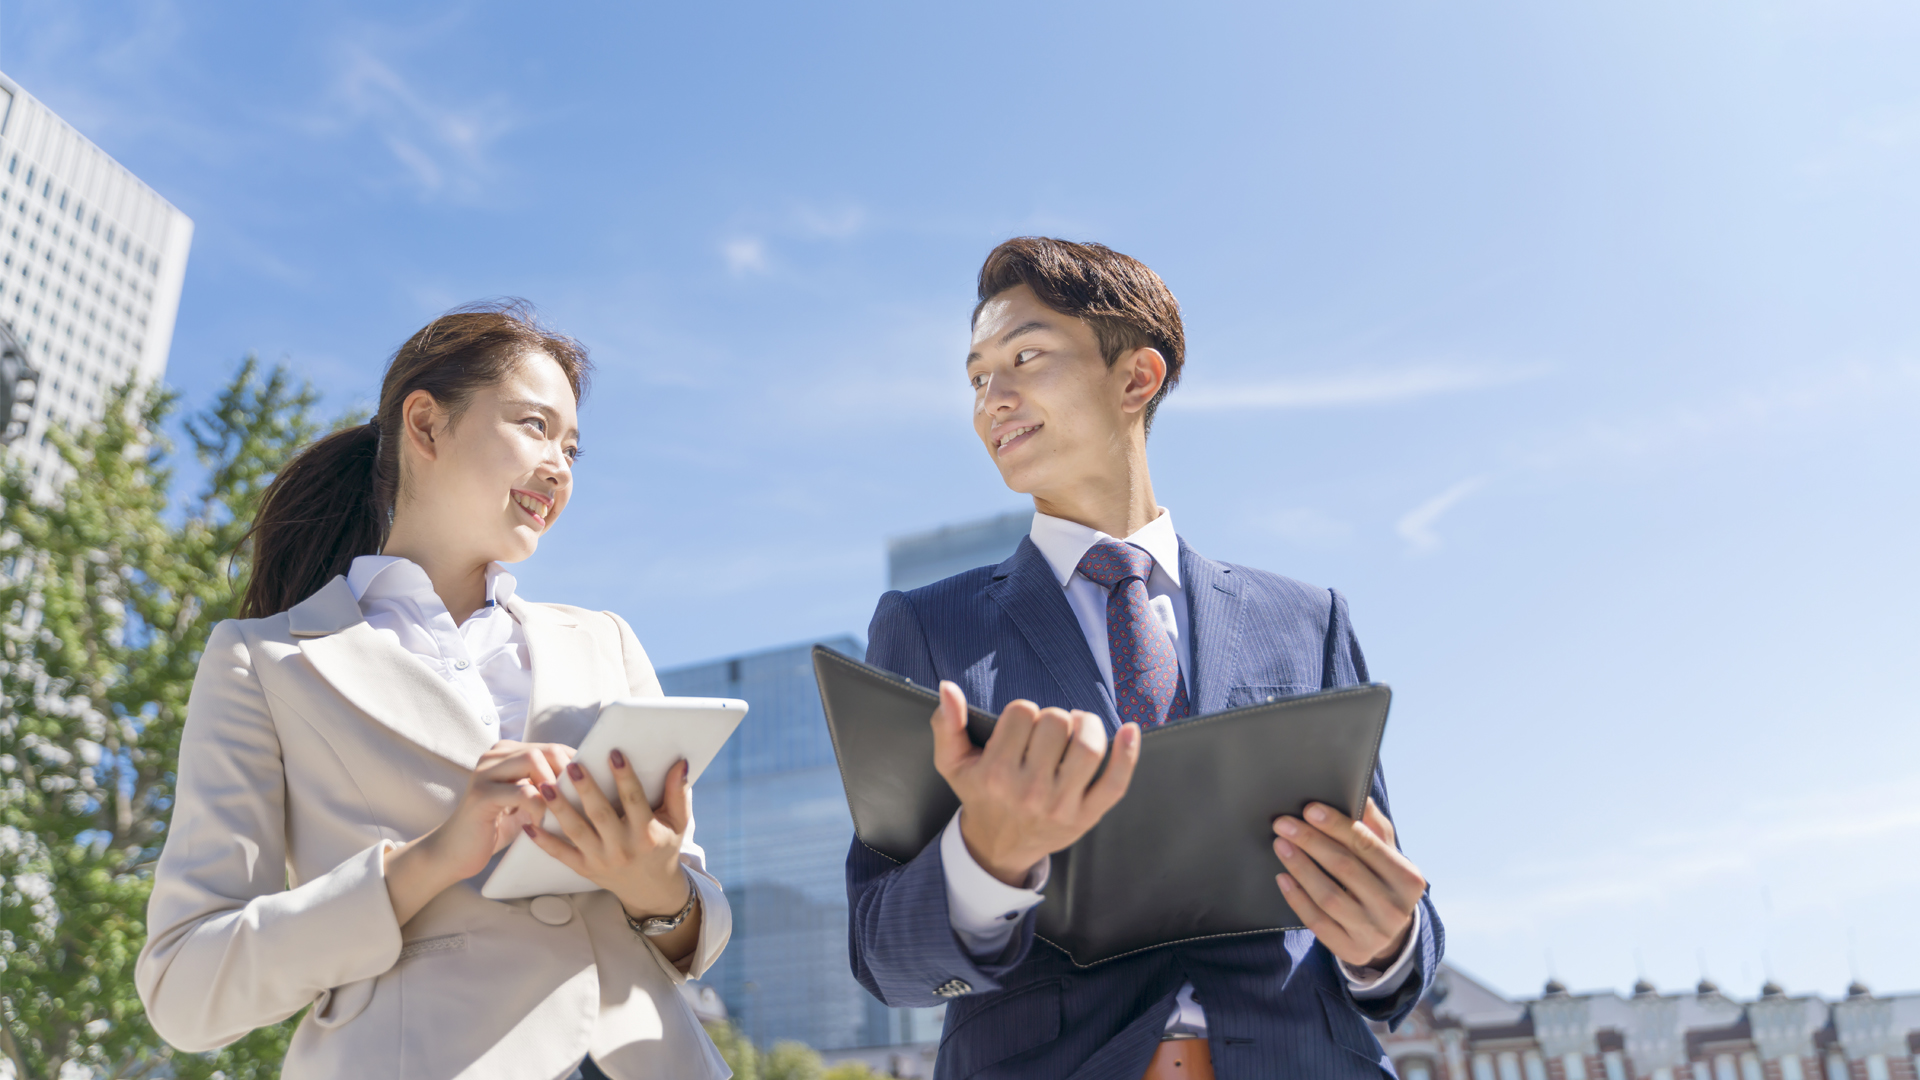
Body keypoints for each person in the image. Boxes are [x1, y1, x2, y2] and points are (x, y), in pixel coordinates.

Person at [847, 239, 1444, 1080]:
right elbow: (881, 951)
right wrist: (984, 860)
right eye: (977, 376)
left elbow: (1402, 950)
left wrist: (1386, 941)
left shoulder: (1307, 620)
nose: (993, 399)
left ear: (1136, 378)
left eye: (1025, 357)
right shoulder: (927, 627)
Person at [136, 302, 732, 1080]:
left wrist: (653, 881)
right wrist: (432, 858)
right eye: (534, 426)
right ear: (425, 426)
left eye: (574, 448)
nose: (559, 466)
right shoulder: (265, 662)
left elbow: (698, 932)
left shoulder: (606, 642)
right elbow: (185, 988)